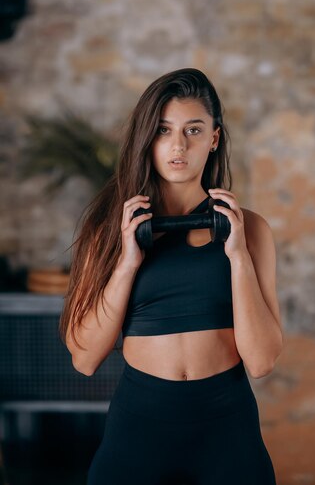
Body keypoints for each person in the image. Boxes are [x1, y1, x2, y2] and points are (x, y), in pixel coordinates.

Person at [59, 68, 283, 485]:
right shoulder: (108, 230)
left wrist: (238, 258)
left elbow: (263, 360)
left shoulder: (250, 230)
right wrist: (127, 262)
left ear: (214, 138)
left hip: (226, 426)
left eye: (193, 130)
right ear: (148, 137)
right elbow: (85, 359)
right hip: (140, 426)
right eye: (164, 130)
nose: (178, 145)